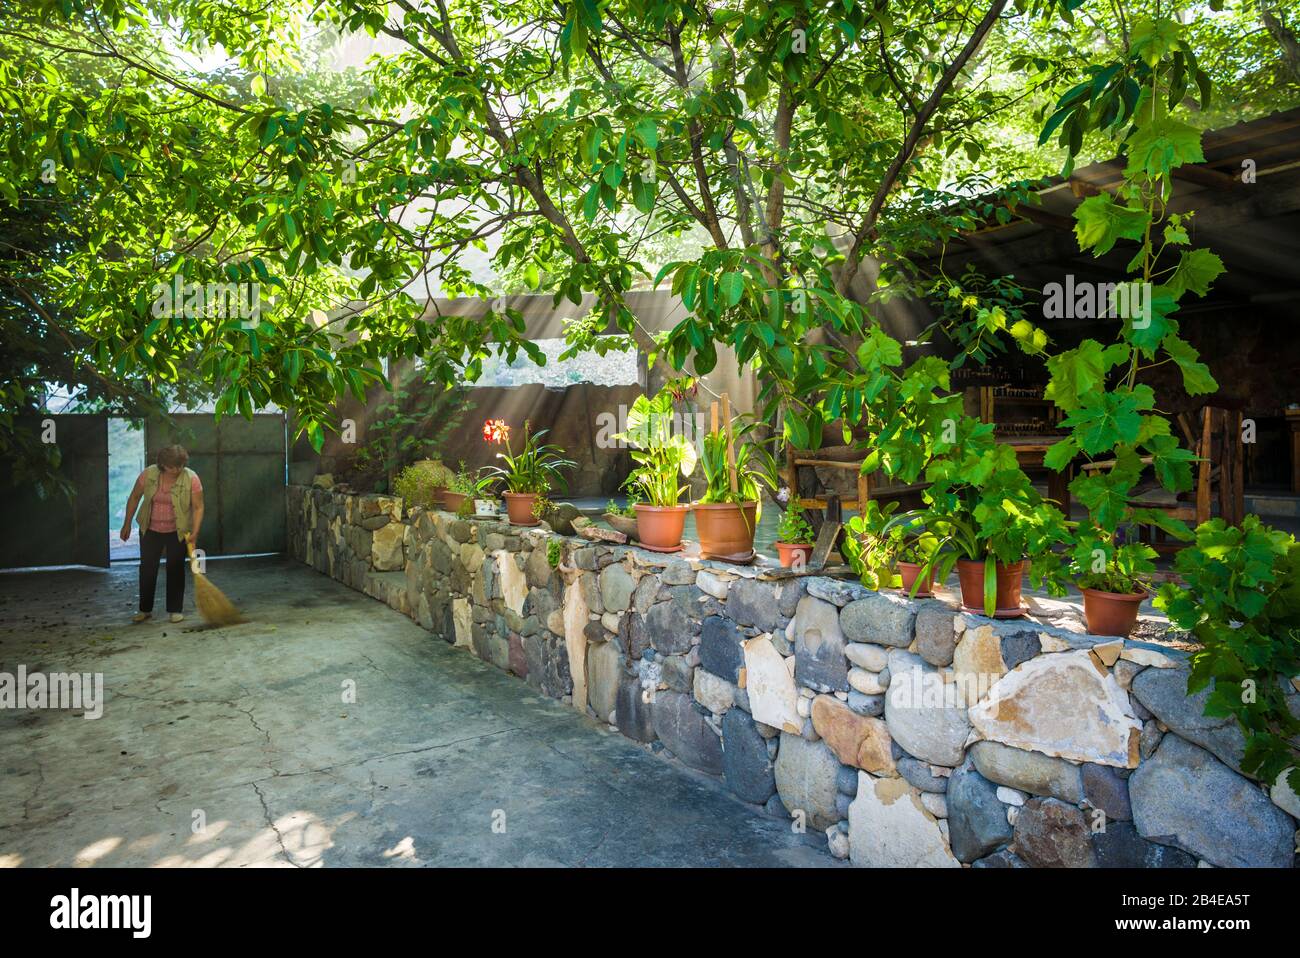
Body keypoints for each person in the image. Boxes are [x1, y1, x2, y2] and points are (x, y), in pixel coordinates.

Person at [119, 445, 205, 623]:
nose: (177, 469)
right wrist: (126, 523)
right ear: (163, 465)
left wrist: (195, 531)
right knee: (147, 569)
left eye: (180, 465)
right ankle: (145, 610)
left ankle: (175, 610)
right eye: (173, 466)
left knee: (175, 568)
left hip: (177, 530)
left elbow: (198, 506)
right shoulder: (148, 474)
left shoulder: (191, 478)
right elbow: (134, 497)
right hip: (150, 529)